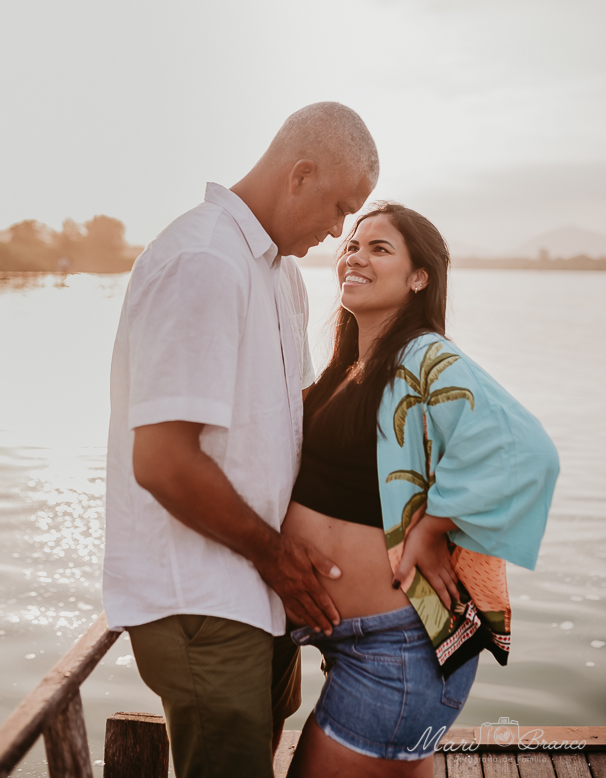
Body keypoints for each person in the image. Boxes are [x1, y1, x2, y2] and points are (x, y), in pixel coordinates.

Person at [102, 102, 379, 778]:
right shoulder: (203, 260)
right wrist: (277, 558)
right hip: (204, 598)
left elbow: (282, 427)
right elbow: (162, 460)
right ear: (299, 174)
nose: (338, 230)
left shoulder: (280, 276)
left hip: (259, 592)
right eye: (337, 207)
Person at [283, 202, 559, 778]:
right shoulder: (352, 367)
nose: (355, 256)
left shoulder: (424, 355)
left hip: (394, 653)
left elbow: (525, 451)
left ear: (418, 277)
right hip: (372, 646)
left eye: (379, 249)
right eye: (353, 246)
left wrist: (435, 525)